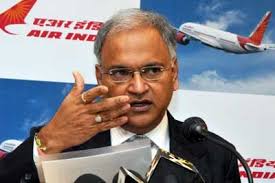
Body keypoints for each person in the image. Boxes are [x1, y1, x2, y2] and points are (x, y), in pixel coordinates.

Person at [0, 9, 241, 183]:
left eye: (153, 70)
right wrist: (48, 141)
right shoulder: (61, 145)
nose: (137, 87)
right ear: (100, 77)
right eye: (120, 73)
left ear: (174, 74)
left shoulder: (218, 155)